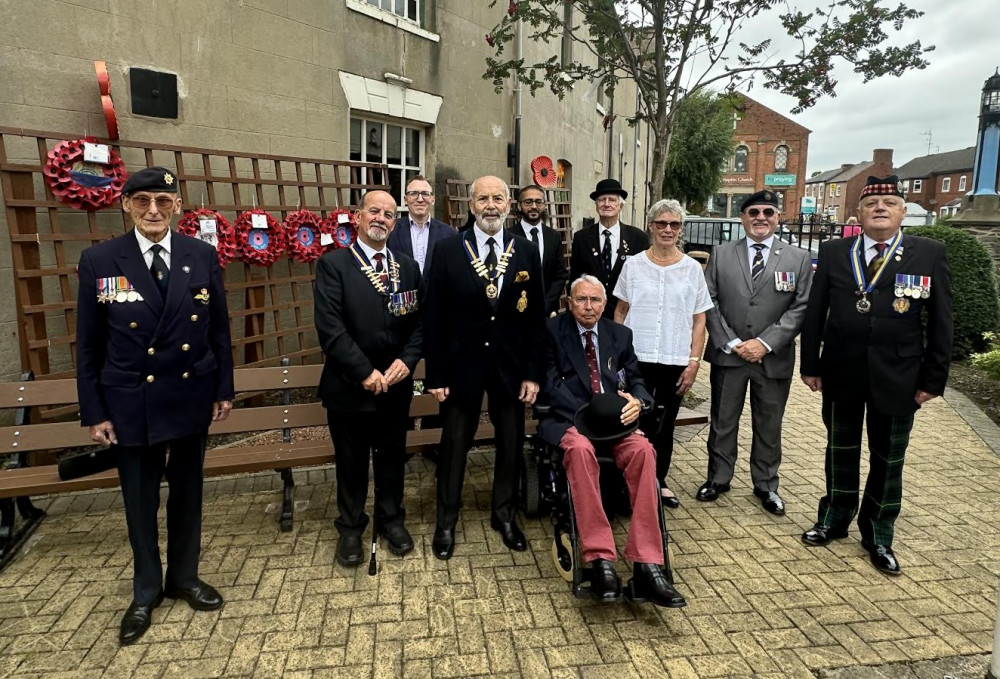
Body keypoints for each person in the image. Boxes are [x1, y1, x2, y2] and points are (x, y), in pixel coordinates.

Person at [75, 166, 234, 645]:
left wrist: (223, 389)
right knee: (140, 503)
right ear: (125, 205)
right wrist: (94, 411)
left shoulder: (201, 255)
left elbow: (219, 331)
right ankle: (145, 591)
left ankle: (184, 577)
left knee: (188, 495)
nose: (153, 210)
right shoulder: (101, 259)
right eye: (142, 200)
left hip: (189, 395)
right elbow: (88, 345)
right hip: (131, 403)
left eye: (163, 201)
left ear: (177, 206)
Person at [800, 175, 953, 576]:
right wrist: (810, 365)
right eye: (872, 204)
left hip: (900, 375)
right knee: (841, 451)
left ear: (903, 212)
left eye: (889, 202)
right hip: (841, 369)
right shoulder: (835, 252)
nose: (880, 208)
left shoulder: (929, 253)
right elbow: (815, 311)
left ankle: (879, 532)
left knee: (888, 460)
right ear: (859, 213)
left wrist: (932, 381)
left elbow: (941, 322)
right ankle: (834, 518)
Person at [539, 275, 686, 608]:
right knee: (578, 450)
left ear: (605, 304)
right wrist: (592, 414)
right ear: (569, 302)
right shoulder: (551, 332)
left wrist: (639, 401)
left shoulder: (619, 334)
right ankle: (601, 557)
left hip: (616, 424)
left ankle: (648, 562)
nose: (588, 306)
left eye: (595, 300)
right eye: (581, 300)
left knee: (644, 451)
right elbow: (550, 384)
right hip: (570, 418)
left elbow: (636, 379)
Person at [423, 175, 546, 560]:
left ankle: (504, 516)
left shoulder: (525, 251)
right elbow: (434, 317)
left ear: (508, 205)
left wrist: (532, 372)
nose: (490, 205)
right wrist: (437, 374)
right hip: (462, 366)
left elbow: (537, 319)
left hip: (510, 367)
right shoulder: (446, 250)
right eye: (482, 199)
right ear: (471, 205)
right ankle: (446, 520)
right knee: (454, 444)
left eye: (498, 198)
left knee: (510, 443)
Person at [314, 190, 424, 567]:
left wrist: (407, 362)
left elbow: (420, 324)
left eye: (389, 214)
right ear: (357, 217)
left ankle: (392, 520)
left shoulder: (408, 268)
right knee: (351, 461)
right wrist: (364, 371)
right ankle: (349, 528)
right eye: (374, 211)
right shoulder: (333, 266)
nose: (381, 218)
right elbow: (330, 329)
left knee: (393, 458)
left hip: (395, 388)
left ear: (396, 222)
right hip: (350, 387)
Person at [700, 190, 813, 514]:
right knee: (723, 421)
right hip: (729, 355)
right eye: (753, 212)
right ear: (742, 217)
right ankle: (718, 478)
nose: (760, 218)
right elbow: (709, 301)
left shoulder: (798, 258)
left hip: (773, 357)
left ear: (777, 217)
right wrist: (733, 342)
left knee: (769, 423)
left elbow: (801, 306)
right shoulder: (721, 254)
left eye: (767, 212)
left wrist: (764, 343)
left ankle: (766, 484)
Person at [613, 199, 712, 508]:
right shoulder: (633, 264)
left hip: (674, 359)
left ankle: (658, 479)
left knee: (665, 423)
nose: (667, 229)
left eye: (674, 224)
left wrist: (694, 362)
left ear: (680, 229)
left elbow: (700, 320)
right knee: (634, 420)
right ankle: (630, 481)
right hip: (637, 358)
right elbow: (620, 311)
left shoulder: (692, 269)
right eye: (661, 223)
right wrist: (618, 358)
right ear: (651, 226)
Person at [569, 179, 649, 318]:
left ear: (620, 206)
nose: (606, 204)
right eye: (602, 200)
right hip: (590, 314)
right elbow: (575, 278)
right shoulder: (581, 238)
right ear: (596, 205)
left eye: (612, 200)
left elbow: (643, 280)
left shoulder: (638, 238)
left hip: (626, 313)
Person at [509, 184, 568, 316]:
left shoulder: (554, 236)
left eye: (538, 202)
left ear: (545, 205)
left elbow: (560, 275)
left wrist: (545, 305)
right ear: (519, 206)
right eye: (528, 202)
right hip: (516, 311)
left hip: (547, 312)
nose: (534, 206)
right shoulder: (508, 237)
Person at [386, 175, 458, 274]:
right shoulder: (390, 230)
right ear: (405, 199)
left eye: (425, 194)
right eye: (413, 193)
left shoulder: (449, 234)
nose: (420, 199)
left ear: (433, 199)